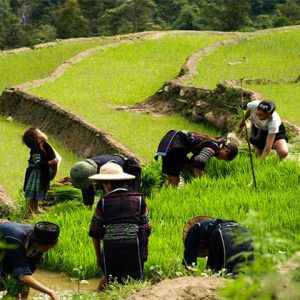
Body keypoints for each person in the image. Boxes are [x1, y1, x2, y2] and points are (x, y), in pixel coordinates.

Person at [88, 162, 151, 290]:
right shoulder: (139, 199)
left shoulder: (103, 202)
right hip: (134, 244)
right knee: (135, 280)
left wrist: (99, 257)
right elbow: (147, 227)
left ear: (108, 184)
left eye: (103, 184)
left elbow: (95, 231)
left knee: (111, 279)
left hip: (111, 246)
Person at [154, 130, 238, 187]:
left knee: (187, 168)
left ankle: (174, 192)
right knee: (174, 178)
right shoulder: (213, 147)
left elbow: (193, 163)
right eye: (223, 158)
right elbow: (198, 163)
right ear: (226, 150)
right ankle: (171, 197)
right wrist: (206, 183)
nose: (220, 159)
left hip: (175, 141)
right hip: (175, 144)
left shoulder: (214, 144)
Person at [0, 220, 60, 299]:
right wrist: (50, 292)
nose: (47, 250)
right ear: (38, 243)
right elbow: (23, 276)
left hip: (6, 249)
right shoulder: (16, 239)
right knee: (1, 284)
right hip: (4, 244)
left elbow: (27, 277)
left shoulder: (38, 246)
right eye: (47, 248)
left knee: (10, 286)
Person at [182, 216, 254, 275]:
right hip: (245, 232)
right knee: (241, 271)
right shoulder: (213, 225)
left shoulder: (193, 230)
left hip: (223, 234)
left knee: (213, 272)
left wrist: (189, 274)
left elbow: (189, 258)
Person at [70, 154, 141, 207]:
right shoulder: (84, 169)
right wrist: (88, 207)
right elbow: (87, 187)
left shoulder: (109, 168)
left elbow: (111, 189)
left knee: (125, 199)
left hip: (125, 171)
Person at [23, 127, 59, 214]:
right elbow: (38, 163)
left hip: (42, 174)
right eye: (41, 133)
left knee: (39, 192)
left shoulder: (45, 147)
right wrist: (51, 162)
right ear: (39, 139)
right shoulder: (35, 150)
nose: (43, 133)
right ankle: (30, 211)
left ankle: (36, 208)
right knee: (33, 195)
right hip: (36, 175)